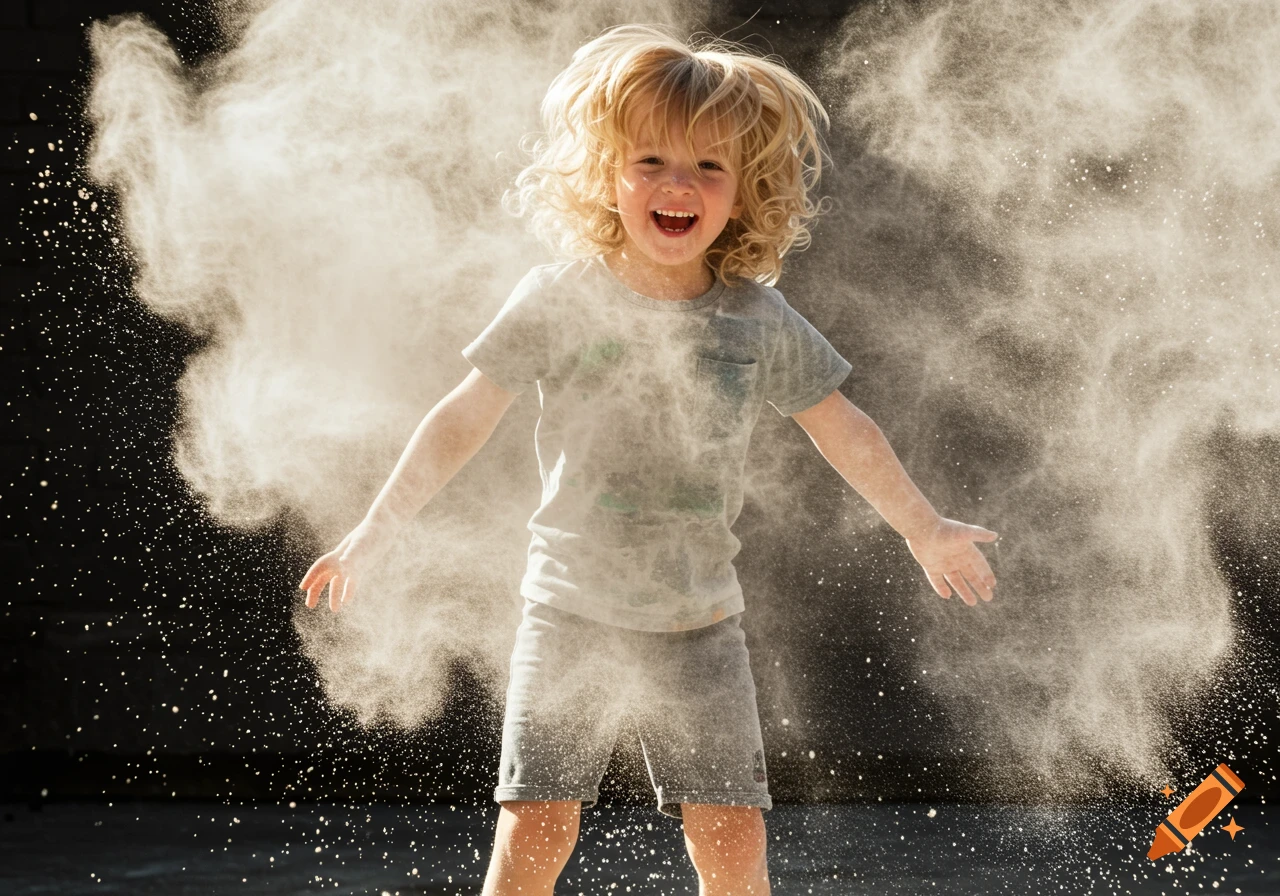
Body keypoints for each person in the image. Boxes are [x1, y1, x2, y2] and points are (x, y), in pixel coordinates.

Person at [298, 24, 998, 896]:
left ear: (745, 190)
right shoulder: (561, 297)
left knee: (733, 844)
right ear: (606, 176)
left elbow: (844, 427)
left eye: (710, 166)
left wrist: (924, 529)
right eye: (652, 161)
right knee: (536, 830)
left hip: (700, 627)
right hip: (566, 615)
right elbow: (460, 420)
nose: (680, 184)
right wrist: (373, 532)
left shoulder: (755, 318)